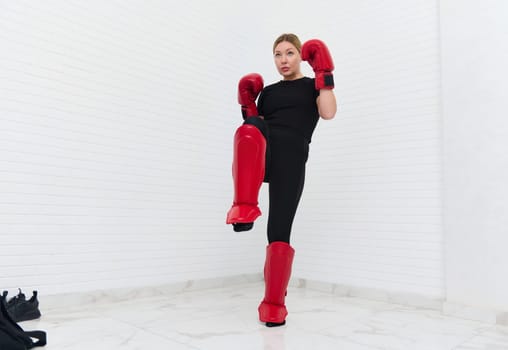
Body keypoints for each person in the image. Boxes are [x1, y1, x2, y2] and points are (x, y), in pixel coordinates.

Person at [226, 33, 337, 327]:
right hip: (265, 155)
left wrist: (324, 73)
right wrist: (248, 105)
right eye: (277, 54)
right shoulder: (269, 93)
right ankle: (244, 207)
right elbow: (251, 138)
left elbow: (328, 113)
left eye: (289, 53)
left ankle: (273, 306)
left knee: (278, 230)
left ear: (302, 56)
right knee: (249, 129)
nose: (283, 60)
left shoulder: (311, 85)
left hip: (291, 159)